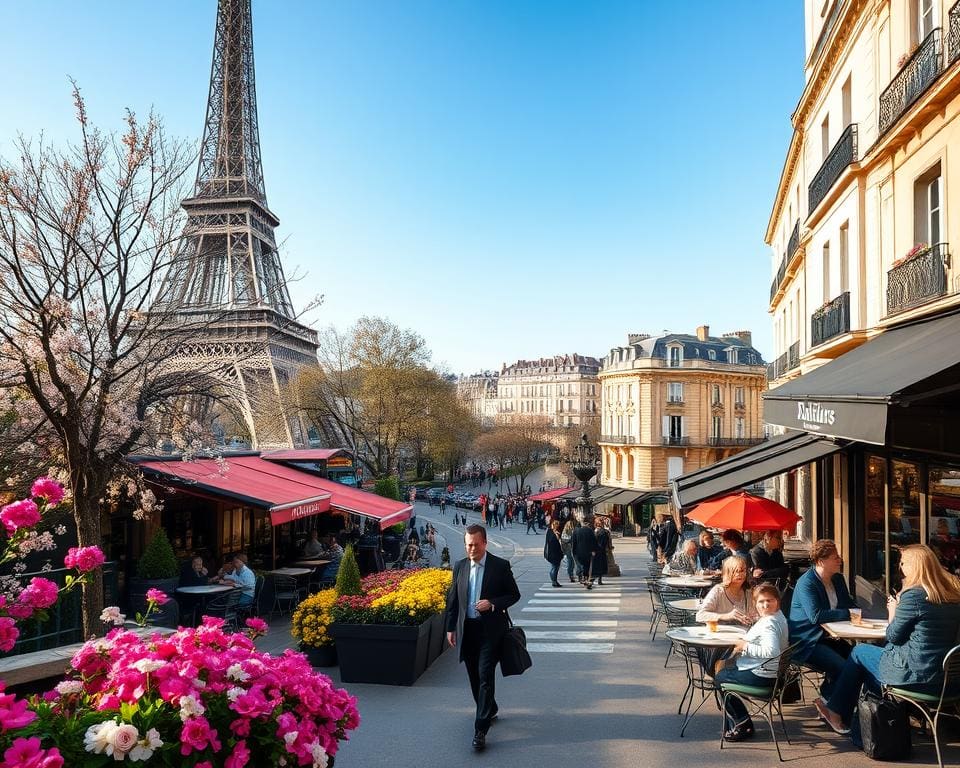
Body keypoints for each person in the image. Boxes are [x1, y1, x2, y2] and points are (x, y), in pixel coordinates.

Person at [815, 544, 960, 734]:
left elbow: (893, 636)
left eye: (903, 562)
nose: (900, 567)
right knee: (868, 669)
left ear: (914, 566)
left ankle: (844, 715)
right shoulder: (952, 595)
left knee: (859, 652)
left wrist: (893, 612)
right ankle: (865, 723)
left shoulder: (913, 596)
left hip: (915, 676)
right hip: (949, 682)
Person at [445, 525, 521, 751]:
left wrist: (493, 603)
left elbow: (514, 594)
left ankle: (480, 729)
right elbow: (453, 600)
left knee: (485, 674)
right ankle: (491, 708)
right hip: (468, 630)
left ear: (485, 543)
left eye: (476, 545)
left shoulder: (500, 566)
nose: (472, 549)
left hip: (490, 631)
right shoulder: (459, 567)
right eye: (468, 544)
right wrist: (451, 628)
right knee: (473, 677)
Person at [715, 582, 789, 742]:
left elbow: (772, 651)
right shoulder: (778, 617)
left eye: (770, 600)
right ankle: (738, 719)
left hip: (762, 677)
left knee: (719, 678)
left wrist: (745, 646)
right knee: (727, 670)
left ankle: (742, 723)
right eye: (761, 602)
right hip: (774, 675)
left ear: (778, 601)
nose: (765, 604)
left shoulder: (769, 624)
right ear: (755, 604)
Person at [788, 539, 857, 697]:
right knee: (842, 667)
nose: (840, 560)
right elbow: (816, 616)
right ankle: (829, 702)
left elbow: (849, 604)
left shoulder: (837, 579)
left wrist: (855, 611)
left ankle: (829, 698)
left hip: (831, 638)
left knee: (858, 659)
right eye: (835, 557)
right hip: (807, 641)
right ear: (821, 561)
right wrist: (848, 613)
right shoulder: (807, 583)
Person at [696, 555, 756, 626]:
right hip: (720, 634)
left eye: (743, 570)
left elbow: (755, 615)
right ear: (728, 572)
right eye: (736, 571)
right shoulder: (718, 591)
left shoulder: (748, 592)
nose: (740, 574)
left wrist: (752, 618)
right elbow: (700, 615)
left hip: (742, 634)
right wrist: (726, 616)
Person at [571, 516, 598, 589]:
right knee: (587, 566)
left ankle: (583, 577)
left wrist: (573, 551)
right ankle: (586, 579)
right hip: (588, 552)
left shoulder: (576, 531)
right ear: (587, 523)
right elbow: (594, 541)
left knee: (581, 565)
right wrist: (594, 550)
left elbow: (574, 542)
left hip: (579, 552)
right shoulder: (589, 531)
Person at [544, 520, 564, 588]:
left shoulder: (549, 531)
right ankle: (554, 581)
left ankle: (554, 581)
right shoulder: (552, 532)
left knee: (554, 567)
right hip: (554, 553)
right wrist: (557, 535)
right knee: (555, 567)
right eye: (557, 525)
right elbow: (555, 542)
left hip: (552, 553)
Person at [592, 516, 610, 586]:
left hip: (597, 551)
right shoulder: (604, 531)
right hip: (601, 551)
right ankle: (599, 579)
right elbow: (606, 542)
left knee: (596, 566)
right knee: (600, 565)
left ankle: (593, 579)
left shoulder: (597, 531)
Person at [561, 518, 578, 583]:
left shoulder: (564, 532)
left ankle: (571, 575)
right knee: (571, 563)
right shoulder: (571, 532)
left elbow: (563, 541)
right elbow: (572, 540)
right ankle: (571, 575)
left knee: (570, 563)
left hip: (567, 550)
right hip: (571, 549)